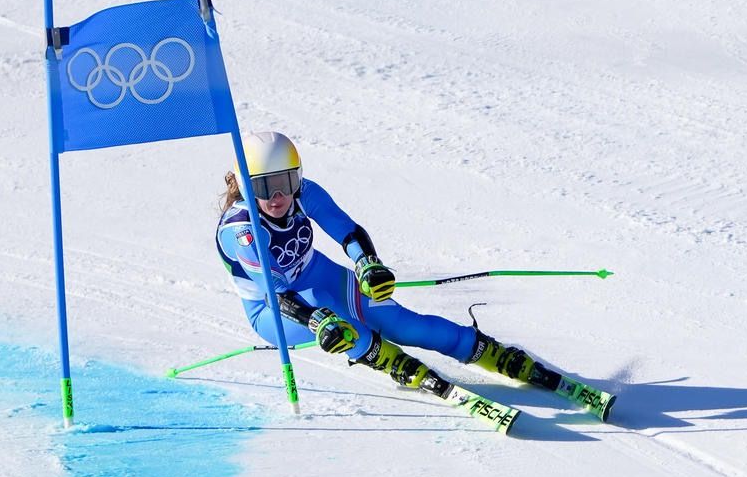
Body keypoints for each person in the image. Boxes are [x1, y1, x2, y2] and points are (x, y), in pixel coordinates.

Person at [214, 131, 564, 402]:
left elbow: (347, 230)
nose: (277, 196)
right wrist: (315, 320)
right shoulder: (241, 231)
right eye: (264, 186)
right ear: (245, 185)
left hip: (319, 276)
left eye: (285, 182)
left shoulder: (304, 193)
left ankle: (491, 353)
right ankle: (396, 364)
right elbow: (276, 294)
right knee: (347, 330)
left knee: (405, 324)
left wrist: (367, 264)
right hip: (272, 311)